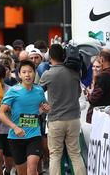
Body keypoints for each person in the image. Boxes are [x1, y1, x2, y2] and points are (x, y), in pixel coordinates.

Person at [38, 44, 86, 175]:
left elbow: (37, 94)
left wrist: (43, 105)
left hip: (55, 119)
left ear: (50, 57)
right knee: (75, 154)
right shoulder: (74, 72)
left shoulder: (48, 74)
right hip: (74, 119)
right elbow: (78, 93)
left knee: (55, 156)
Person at [0, 60, 50, 175]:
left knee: (32, 168)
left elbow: (41, 109)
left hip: (34, 135)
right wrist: (15, 127)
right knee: (22, 172)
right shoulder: (13, 91)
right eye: (24, 72)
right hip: (16, 137)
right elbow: (1, 113)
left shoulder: (39, 90)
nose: (27, 75)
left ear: (34, 73)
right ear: (19, 75)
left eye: (30, 72)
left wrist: (45, 109)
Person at [86, 48, 110, 123]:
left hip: (101, 116)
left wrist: (89, 94)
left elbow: (93, 99)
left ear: (102, 59)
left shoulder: (102, 77)